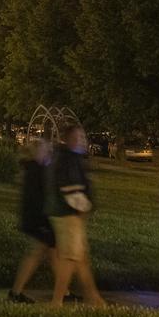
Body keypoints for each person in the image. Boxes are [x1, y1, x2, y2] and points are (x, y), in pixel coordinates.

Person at [45, 124, 106, 307]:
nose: (83, 140)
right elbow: (69, 189)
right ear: (70, 139)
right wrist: (84, 208)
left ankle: (94, 298)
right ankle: (57, 301)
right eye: (79, 137)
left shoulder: (65, 157)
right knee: (71, 258)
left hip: (66, 213)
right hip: (68, 214)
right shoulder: (68, 159)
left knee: (81, 258)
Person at [9, 136, 56, 303]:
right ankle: (15, 292)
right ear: (38, 151)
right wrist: (45, 220)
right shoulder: (37, 170)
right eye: (45, 149)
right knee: (36, 254)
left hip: (35, 218)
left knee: (53, 254)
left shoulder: (32, 168)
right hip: (39, 220)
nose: (48, 151)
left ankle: (63, 291)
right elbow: (39, 197)